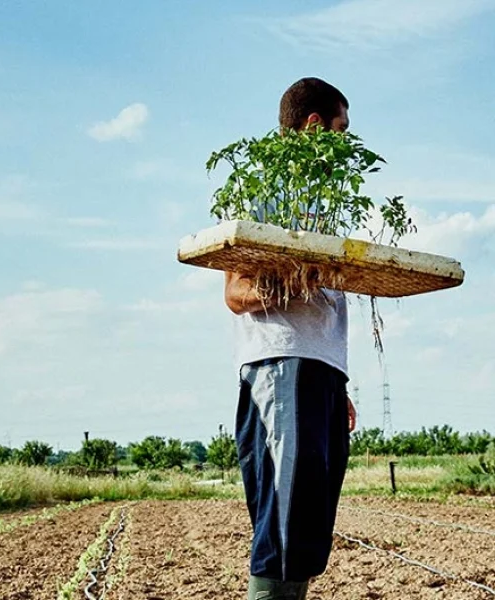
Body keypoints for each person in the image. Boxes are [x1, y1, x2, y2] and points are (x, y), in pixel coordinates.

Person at [224, 77, 358, 600]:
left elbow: (321, 309)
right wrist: (291, 280)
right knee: (283, 527)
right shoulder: (266, 197)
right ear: (313, 126)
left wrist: (336, 378)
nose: (348, 143)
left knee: (307, 527)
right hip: (281, 366)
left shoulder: (322, 207)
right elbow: (235, 293)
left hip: (319, 371)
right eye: (342, 129)